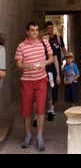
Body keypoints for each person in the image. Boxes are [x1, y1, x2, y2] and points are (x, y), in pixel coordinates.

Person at [15, 21, 54, 151]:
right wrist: (28, 66)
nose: (35, 32)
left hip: (41, 80)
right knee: (26, 110)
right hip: (26, 81)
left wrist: (46, 62)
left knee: (41, 109)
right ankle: (28, 135)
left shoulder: (45, 43)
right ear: (27, 32)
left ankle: (39, 136)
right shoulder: (21, 46)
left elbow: (52, 58)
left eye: (37, 30)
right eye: (32, 30)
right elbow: (19, 64)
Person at [45, 21, 68, 116]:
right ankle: (47, 105)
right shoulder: (44, 40)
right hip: (46, 66)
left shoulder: (58, 38)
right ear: (46, 29)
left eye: (52, 28)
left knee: (55, 85)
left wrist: (68, 58)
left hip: (57, 65)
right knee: (47, 85)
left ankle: (52, 105)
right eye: (49, 28)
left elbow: (63, 48)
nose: (51, 30)